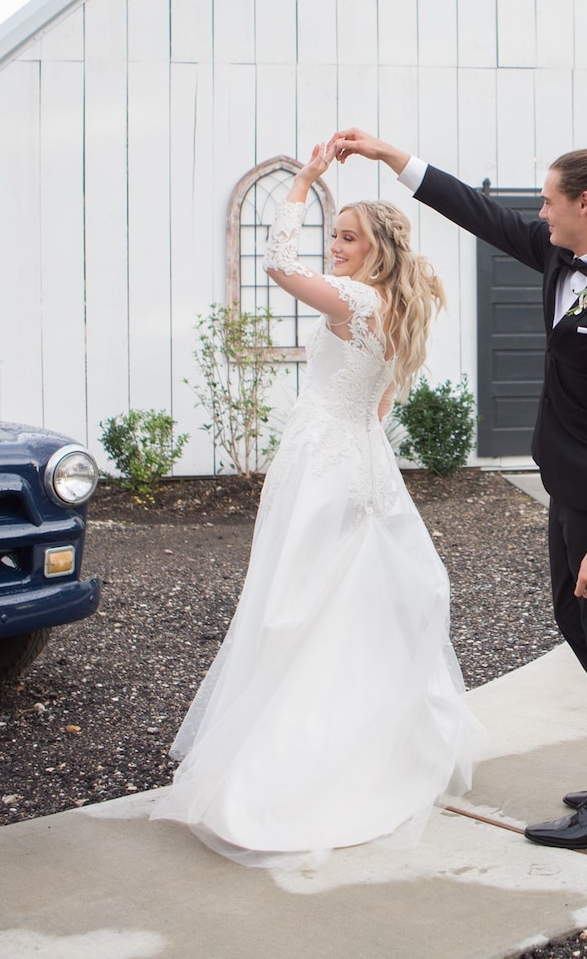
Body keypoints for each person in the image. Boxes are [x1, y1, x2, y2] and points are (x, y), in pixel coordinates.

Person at [331, 129, 587, 851]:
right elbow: (480, 213)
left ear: (585, 203)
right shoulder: (562, 256)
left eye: (550, 202)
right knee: (581, 624)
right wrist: (390, 156)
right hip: (566, 483)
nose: (540, 214)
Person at [150, 140, 484, 868]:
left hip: (327, 461)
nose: (334, 246)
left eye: (347, 235)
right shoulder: (399, 304)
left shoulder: (358, 299)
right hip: (360, 458)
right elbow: (383, 401)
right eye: (334, 234)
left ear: (376, 249)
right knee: (354, 601)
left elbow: (275, 265)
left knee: (299, 598)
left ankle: (296, 761)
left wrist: (302, 182)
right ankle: (373, 738)